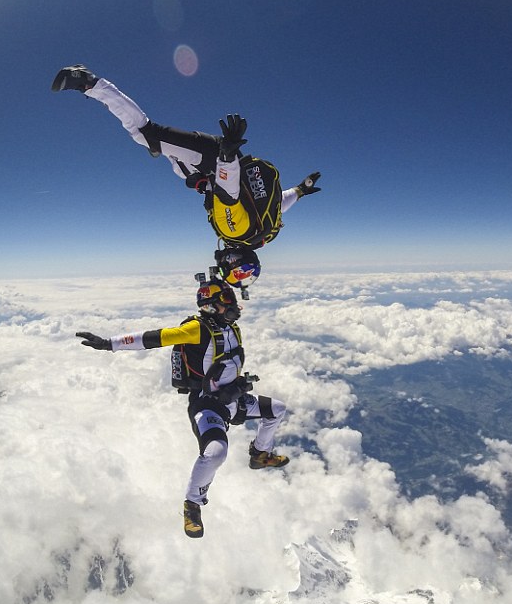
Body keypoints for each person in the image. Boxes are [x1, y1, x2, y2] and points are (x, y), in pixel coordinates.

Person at [52, 64, 321, 290]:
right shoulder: (235, 231)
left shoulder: (263, 236)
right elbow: (228, 194)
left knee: (182, 173)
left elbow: (278, 204)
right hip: (214, 160)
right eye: (228, 268)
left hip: (209, 167)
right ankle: (87, 81)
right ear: (234, 261)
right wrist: (226, 157)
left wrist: (300, 190)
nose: (221, 263)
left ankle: (166, 152)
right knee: (144, 133)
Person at [75, 270, 289, 538]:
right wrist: (109, 344)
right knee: (215, 454)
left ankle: (259, 455)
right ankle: (192, 506)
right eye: (227, 299)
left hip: (234, 397)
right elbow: (154, 338)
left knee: (276, 410)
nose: (233, 305)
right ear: (212, 306)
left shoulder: (230, 327)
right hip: (208, 404)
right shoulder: (196, 329)